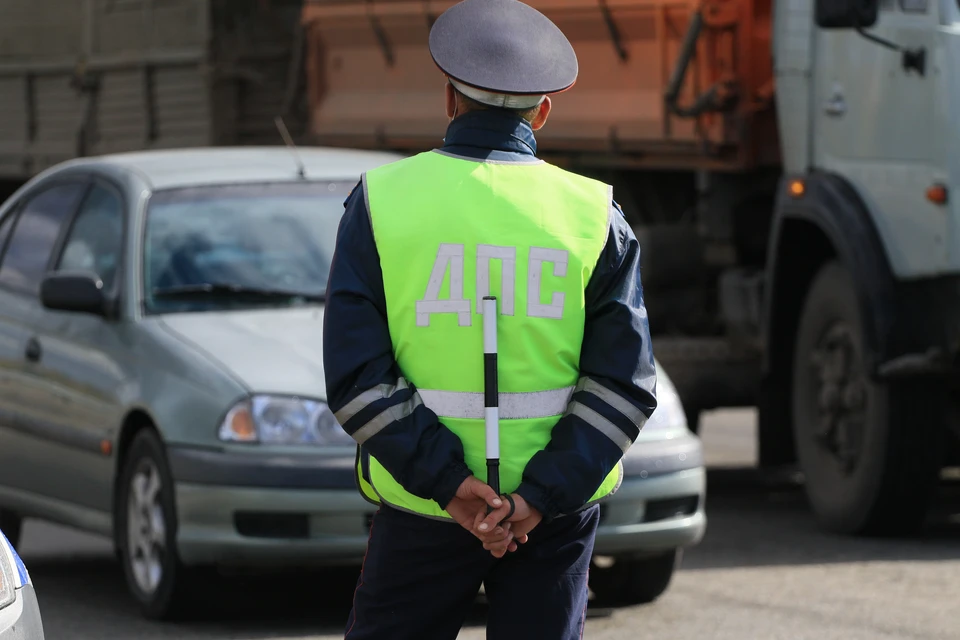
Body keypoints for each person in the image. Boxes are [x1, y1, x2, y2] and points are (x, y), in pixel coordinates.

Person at [322, 0, 658, 637]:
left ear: (449, 99)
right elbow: (624, 384)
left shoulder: (379, 203)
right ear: (543, 111)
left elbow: (356, 379)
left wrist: (449, 485)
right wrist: (539, 496)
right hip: (552, 521)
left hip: (422, 506)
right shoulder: (594, 214)